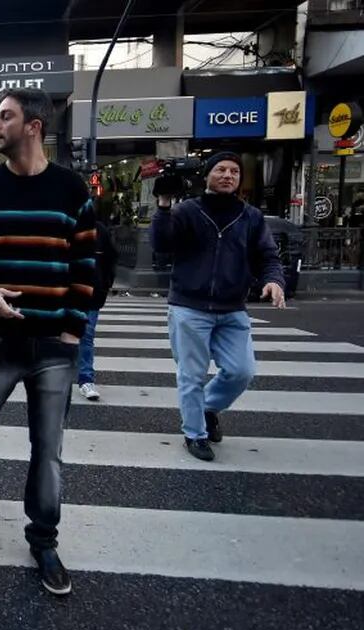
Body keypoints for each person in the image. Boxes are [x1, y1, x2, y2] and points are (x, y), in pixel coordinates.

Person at [0, 89, 97, 597]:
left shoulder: (72, 190)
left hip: (53, 346)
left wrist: (74, 330)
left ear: (32, 126)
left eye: (4, 116)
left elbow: (86, 267)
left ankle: (44, 538)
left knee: (48, 450)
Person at [151, 151, 286, 462]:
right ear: (208, 175)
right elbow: (161, 245)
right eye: (221, 169)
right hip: (189, 305)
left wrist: (274, 280)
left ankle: (208, 407)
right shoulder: (187, 211)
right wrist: (164, 206)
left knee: (242, 371)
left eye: (234, 171)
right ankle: (195, 434)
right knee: (192, 375)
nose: (228, 175)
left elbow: (267, 256)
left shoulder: (250, 217)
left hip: (232, 308)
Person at [77, 220, 119, 401]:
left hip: (92, 291)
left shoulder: (99, 229)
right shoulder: (60, 221)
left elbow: (110, 259)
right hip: (64, 290)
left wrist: (104, 285)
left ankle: (86, 379)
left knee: (86, 335)